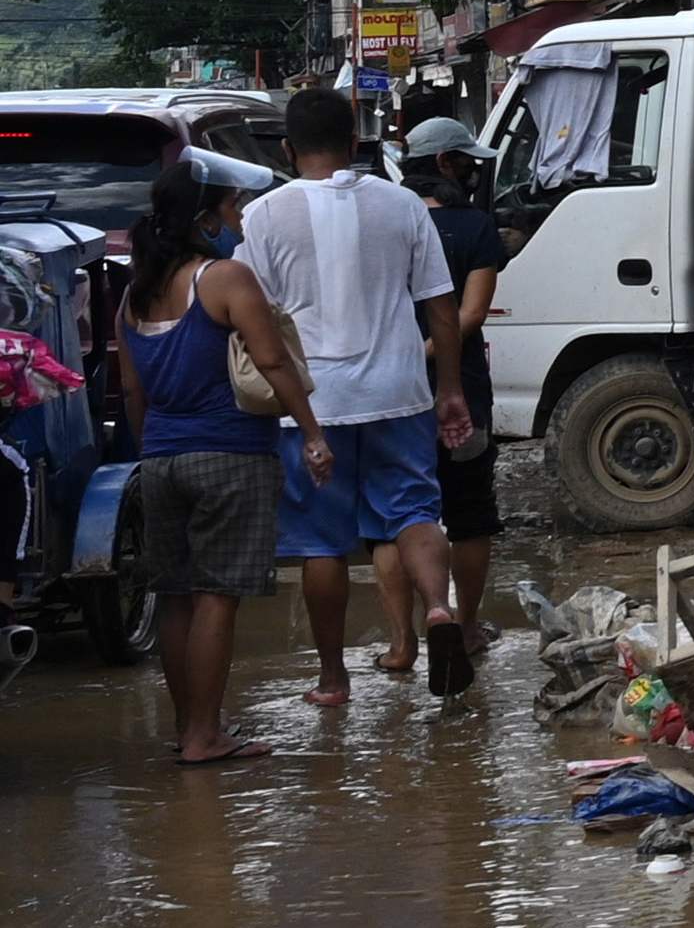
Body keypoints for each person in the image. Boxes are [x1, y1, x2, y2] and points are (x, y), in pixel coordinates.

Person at [238, 91, 474, 703]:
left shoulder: (263, 215)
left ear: (287, 150)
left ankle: (333, 678)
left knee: (322, 543)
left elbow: (254, 320)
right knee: (416, 514)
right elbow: (440, 309)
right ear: (354, 144)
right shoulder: (401, 205)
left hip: (311, 404)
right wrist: (449, 388)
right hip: (400, 391)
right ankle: (442, 613)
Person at [110, 160, 335, 763]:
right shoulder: (225, 278)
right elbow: (274, 363)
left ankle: (190, 729)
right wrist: (311, 434)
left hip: (161, 459)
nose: (238, 221)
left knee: (177, 598)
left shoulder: (134, 297)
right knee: (216, 597)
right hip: (231, 455)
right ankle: (205, 736)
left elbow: (133, 393)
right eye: (232, 210)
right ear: (205, 220)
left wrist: (150, 448)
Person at [372, 116, 512, 679]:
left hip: (391, 392)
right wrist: (431, 355)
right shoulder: (476, 227)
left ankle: (402, 642)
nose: (476, 172)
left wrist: (402, 358)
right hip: (463, 392)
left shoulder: (385, 223)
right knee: (470, 515)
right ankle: (468, 626)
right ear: (448, 166)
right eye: (469, 162)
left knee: (394, 518)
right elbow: (470, 316)